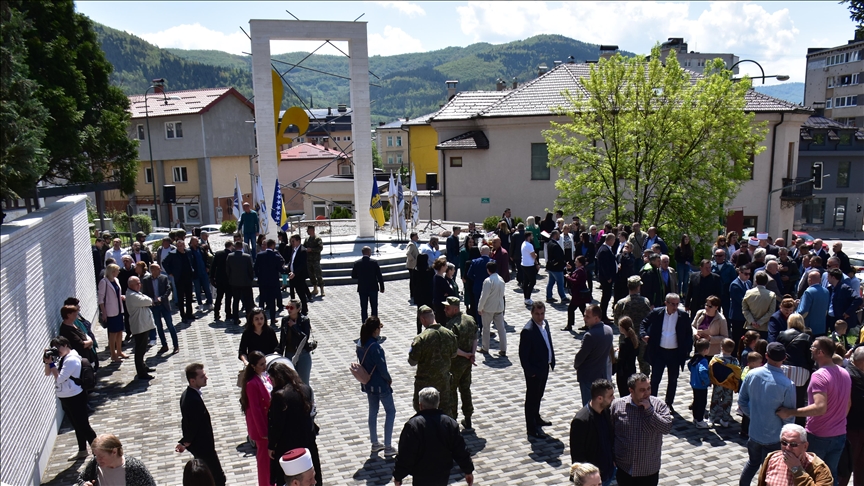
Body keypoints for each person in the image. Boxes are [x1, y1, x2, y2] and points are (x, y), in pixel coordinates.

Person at [777, 336, 852, 485]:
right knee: (830, 475)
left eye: (813, 347)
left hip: (819, 435)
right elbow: (848, 404)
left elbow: (819, 408)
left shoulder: (819, 376)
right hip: (839, 434)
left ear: (821, 352)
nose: (810, 349)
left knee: (813, 475)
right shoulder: (845, 373)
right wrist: (836, 421)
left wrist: (790, 412)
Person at [393, 387, 475, 486]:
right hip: (442, 473)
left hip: (421, 475)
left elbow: (406, 455)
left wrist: (398, 476)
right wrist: (468, 471)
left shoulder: (413, 426)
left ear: (420, 405)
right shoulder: (449, 423)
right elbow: (460, 450)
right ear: (438, 403)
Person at [610, 373, 673, 486]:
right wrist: (612, 456)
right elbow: (610, 433)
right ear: (631, 390)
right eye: (642, 390)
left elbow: (666, 427)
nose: (647, 393)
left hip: (648, 470)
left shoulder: (659, 405)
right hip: (624, 468)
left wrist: (649, 411)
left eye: (649, 388)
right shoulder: (617, 405)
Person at [268, 362, 322, 486]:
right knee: (311, 479)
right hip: (307, 441)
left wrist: (271, 446)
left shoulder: (279, 396)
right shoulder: (305, 389)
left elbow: (276, 425)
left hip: (288, 444)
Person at [43, 336, 97, 460]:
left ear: (66, 345)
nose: (57, 350)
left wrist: (52, 363)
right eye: (55, 348)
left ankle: (98, 453)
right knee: (76, 425)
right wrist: (47, 361)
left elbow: (60, 378)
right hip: (66, 397)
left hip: (75, 397)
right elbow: (47, 373)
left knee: (84, 426)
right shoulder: (62, 358)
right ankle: (82, 450)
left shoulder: (71, 360)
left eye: (59, 347)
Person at [175, 363, 226, 486]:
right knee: (218, 478)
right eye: (202, 376)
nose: (206, 378)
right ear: (192, 381)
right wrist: (185, 441)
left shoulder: (188, 395)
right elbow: (191, 424)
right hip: (204, 448)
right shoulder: (192, 400)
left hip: (202, 447)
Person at [640, 293, 692, 409]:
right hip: (659, 352)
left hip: (675, 353)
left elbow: (689, 334)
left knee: (673, 379)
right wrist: (643, 335)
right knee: (655, 379)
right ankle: (651, 402)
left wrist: (687, 349)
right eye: (672, 304)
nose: (675, 307)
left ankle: (669, 404)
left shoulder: (683, 316)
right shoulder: (657, 313)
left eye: (677, 304)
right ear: (666, 303)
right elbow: (644, 323)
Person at [357, 316, 397, 457]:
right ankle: (388, 446)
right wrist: (389, 379)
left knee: (373, 412)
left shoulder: (360, 345)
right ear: (375, 330)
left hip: (368, 384)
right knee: (390, 412)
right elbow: (382, 368)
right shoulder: (376, 348)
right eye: (379, 328)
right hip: (380, 384)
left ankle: (375, 443)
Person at [409, 305, 458, 414]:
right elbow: (454, 354)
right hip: (444, 383)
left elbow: (412, 361)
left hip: (425, 385)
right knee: (445, 411)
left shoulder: (421, 339)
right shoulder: (449, 334)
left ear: (422, 319)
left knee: (423, 414)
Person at [569, 379, 616, 486]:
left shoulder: (606, 411)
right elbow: (578, 455)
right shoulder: (581, 420)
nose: (613, 398)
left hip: (608, 471)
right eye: (610, 396)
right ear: (600, 398)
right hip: (592, 479)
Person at [520, 301, 556, 438]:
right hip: (535, 371)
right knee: (531, 399)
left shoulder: (545, 324)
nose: (540, 317)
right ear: (532, 313)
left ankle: (537, 417)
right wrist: (531, 372)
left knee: (539, 396)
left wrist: (552, 360)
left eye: (542, 314)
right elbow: (523, 356)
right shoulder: (528, 331)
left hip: (544, 367)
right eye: (537, 314)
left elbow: (548, 342)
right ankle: (531, 427)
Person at [756, 424, 834, 486]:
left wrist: (797, 470)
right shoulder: (772, 459)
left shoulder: (819, 469)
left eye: (793, 444)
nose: (788, 448)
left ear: (805, 446)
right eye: (784, 443)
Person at [442, 297, 477, 428]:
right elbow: (475, 338)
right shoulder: (470, 319)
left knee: (452, 391)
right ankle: (468, 418)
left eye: (448, 307)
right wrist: (472, 354)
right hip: (467, 363)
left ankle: (453, 419)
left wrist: (467, 354)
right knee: (465, 389)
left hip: (455, 364)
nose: (445, 309)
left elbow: (452, 349)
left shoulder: (452, 325)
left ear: (455, 309)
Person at [239, 351, 273, 486]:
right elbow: (256, 410)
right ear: (253, 366)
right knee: (264, 462)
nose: (265, 366)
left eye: (265, 363)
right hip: (262, 429)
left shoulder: (265, 377)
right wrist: (263, 433)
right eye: (261, 364)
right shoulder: (251, 384)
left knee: (270, 461)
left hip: (269, 424)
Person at [574, 305, 614, 406]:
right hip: (602, 375)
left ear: (596, 318)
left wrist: (576, 365)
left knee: (589, 407)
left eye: (588, 317)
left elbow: (581, 356)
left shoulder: (590, 336)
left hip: (588, 376)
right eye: (584, 316)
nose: (584, 319)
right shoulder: (609, 330)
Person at [78, 433, 156, 486]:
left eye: (101, 456)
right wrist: (83, 484)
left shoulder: (135, 468)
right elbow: (81, 478)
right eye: (96, 455)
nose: (97, 459)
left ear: (114, 451)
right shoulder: (94, 464)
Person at [613, 275, 653, 376]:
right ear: (638, 287)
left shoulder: (621, 303)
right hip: (641, 337)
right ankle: (645, 383)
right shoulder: (645, 301)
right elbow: (649, 319)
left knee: (626, 363)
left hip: (626, 338)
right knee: (644, 363)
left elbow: (616, 321)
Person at [125, 276, 157, 380]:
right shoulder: (132, 295)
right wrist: (148, 299)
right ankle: (141, 373)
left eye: (139, 283)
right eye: (137, 283)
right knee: (139, 350)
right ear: (131, 285)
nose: (140, 285)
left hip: (143, 325)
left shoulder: (135, 293)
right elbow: (148, 301)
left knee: (142, 349)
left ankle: (143, 367)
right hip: (139, 326)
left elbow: (146, 299)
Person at [841, 346, 864, 486]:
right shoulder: (849, 375)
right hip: (851, 427)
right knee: (847, 466)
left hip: (859, 426)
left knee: (861, 466)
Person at [98, 263, 127, 362]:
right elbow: (101, 299)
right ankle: (113, 354)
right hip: (110, 311)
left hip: (119, 309)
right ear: (112, 272)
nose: (119, 272)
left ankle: (119, 351)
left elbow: (116, 293)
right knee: (112, 333)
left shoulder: (116, 280)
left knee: (120, 331)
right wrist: (104, 312)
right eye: (117, 270)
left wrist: (121, 297)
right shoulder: (104, 282)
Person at [708, 338, 740, 428]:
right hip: (729, 385)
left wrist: (711, 380)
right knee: (727, 402)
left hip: (718, 384)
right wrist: (736, 385)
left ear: (721, 347)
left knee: (715, 400)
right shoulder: (734, 361)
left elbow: (710, 369)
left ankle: (711, 418)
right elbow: (737, 374)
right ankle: (725, 420)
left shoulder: (716, 358)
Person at [477, 261, 507, 356]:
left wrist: (480, 307)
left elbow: (484, 296)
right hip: (499, 307)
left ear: (488, 270)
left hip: (488, 308)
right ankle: (503, 349)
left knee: (486, 329)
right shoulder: (501, 279)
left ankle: (485, 348)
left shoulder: (488, 281)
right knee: (501, 329)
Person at [351, 245, 385, 325]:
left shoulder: (357, 263)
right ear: (369, 252)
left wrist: (361, 277)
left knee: (364, 308)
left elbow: (353, 276)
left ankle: (364, 324)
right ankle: (375, 324)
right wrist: (382, 287)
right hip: (373, 287)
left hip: (362, 288)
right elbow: (379, 276)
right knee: (374, 307)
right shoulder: (374, 262)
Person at [255, 239, 285, 326]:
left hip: (262, 281)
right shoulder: (275, 256)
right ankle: (272, 319)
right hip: (273, 282)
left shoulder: (260, 255)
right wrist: (286, 271)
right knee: (272, 302)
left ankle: (259, 319)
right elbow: (280, 269)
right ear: (273, 245)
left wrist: (259, 277)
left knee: (262, 300)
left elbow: (255, 268)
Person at [163, 240, 195, 323]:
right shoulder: (173, 254)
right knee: (181, 297)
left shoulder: (188, 252)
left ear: (184, 245)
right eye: (178, 246)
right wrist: (170, 272)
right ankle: (183, 315)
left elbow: (191, 260)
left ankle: (189, 313)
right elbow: (164, 262)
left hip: (188, 277)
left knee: (189, 296)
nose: (180, 247)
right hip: (179, 278)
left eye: (181, 245)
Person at [743, 271, 778, 340]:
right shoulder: (771, 295)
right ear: (766, 282)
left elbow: (745, 309)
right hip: (764, 327)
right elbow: (771, 312)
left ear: (756, 281)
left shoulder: (748, 293)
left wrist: (752, 321)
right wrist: (759, 322)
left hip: (750, 326)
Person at [827, 268, 862, 335]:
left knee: (841, 339)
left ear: (833, 277)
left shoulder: (845, 288)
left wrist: (848, 312)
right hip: (831, 318)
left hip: (840, 319)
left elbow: (858, 299)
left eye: (828, 276)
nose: (827, 279)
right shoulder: (830, 288)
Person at [226, 241, 255, 323]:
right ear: (242, 247)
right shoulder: (247, 257)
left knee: (236, 301)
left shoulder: (230, 256)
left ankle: (235, 318)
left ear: (235, 247)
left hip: (234, 282)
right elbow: (250, 270)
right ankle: (248, 318)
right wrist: (250, 279)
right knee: (247, 302)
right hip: (246, 282)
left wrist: (231, 278)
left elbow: (228, 270)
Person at [798, 270, 831, 336]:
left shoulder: (808, 292)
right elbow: (826, 311)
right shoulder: (826, 291)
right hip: (821, 327)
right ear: (820, 280)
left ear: (809, 280)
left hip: (809, 328)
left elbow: (804, 311)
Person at [564, 255, 592, 331]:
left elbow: (576, 281)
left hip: (578, 294)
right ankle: (588, 324)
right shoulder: (579, 269)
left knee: (571, 309)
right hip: (578, 294)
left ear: (580, 263)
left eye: (576, 261)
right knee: (583, 310)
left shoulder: (581, 271)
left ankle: (569, 325)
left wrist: (568, 277)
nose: (575, 262)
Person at [688, 338, 712, 428]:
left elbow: (689, 365)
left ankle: (695, 418)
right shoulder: (704, 360)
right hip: (701, 386)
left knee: (696, 401)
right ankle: (700, 421)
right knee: (702, 402)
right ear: (705, 350)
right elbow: (703, 371)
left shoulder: (695, 358)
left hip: (694, 384)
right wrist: (706, 381)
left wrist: (694, 374)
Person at [285, 234, 311, 315]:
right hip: (291, 275)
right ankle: (293, 307)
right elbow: (292, 261)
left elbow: (302, 264)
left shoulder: (302, 250)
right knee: (292, 292)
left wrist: (295, 273)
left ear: (298, 241)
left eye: (293, 241)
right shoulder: (293, 249)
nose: (292, 243)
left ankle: (304, 309)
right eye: (291, 241)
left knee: (301, 293)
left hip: (299, 276)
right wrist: (288, 267)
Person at [209, 241, 233, 322]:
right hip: (229, 279)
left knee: (219, 297)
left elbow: (213, 266)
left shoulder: (218, 254)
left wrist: (212, 277)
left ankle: (216, 313)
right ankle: (228, 313)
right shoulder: (231, 255)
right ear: (231, 246)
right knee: (228, 297)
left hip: (219, 279)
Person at [595, 234, 617, 321]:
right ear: (610, 240)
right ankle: (603, 316)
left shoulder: (607, 248)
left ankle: (603, 315)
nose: (614, 242)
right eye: (614, 240)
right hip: (606, 278)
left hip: (607, 277)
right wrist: (608, 277)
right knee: (606, 297)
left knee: (606, 297)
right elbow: (604, 266)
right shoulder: (604, 250)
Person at [188, 237, 212, 311]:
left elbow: (206, 258)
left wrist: (207, 266)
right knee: (197, 291)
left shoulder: (201, 249)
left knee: (207, 289)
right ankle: (200, 304)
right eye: (195, 241)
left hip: (203, 272)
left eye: (197, 241)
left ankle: (210, 303)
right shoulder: (189, 251)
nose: (197, 242)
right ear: (192, 242)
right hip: (196, 274)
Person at [546, 231, 569, 303]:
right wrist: (565, 264)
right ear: (555, 235)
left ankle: (549, 297)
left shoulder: (549, 243)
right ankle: (563, 297)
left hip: (550, 267)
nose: (559, 236)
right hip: (557, 268)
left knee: (551, 283)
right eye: (558, 235)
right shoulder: (555, 246)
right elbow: (559, 258)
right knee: (560, 283)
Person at [304, 225, 324, 297]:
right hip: (309, 260)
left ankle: (322, 289)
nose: (307, 231)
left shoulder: (317, 239)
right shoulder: (307, 239)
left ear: (312, 230)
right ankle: (315, 288)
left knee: (318, 274)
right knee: (311, 275)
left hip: (316, 260)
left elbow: (320, 248)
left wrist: (312, 249)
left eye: (308, 230)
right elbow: (304, 247)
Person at [521, 231, 539, 306]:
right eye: (531, 236)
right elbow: (533, 255)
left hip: (524, 264)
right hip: (529, 265)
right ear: (529, 237)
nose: (532, 237)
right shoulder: (529, 245)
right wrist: (537, 262)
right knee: (532, 282)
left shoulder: (523, 243)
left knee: (526, 282)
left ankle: (526, 298)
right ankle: (528, 297)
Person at [406, 232, 420, 304]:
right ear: (413, 237)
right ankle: (412, 295)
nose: (417, 237)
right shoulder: (411, 244)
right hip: (412, 266)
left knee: (414, 280)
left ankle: (414, 294)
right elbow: (408, 253)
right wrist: (413, 260)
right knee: (412, 280)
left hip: (414, 265)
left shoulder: (414, 244)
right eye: (416, 236)